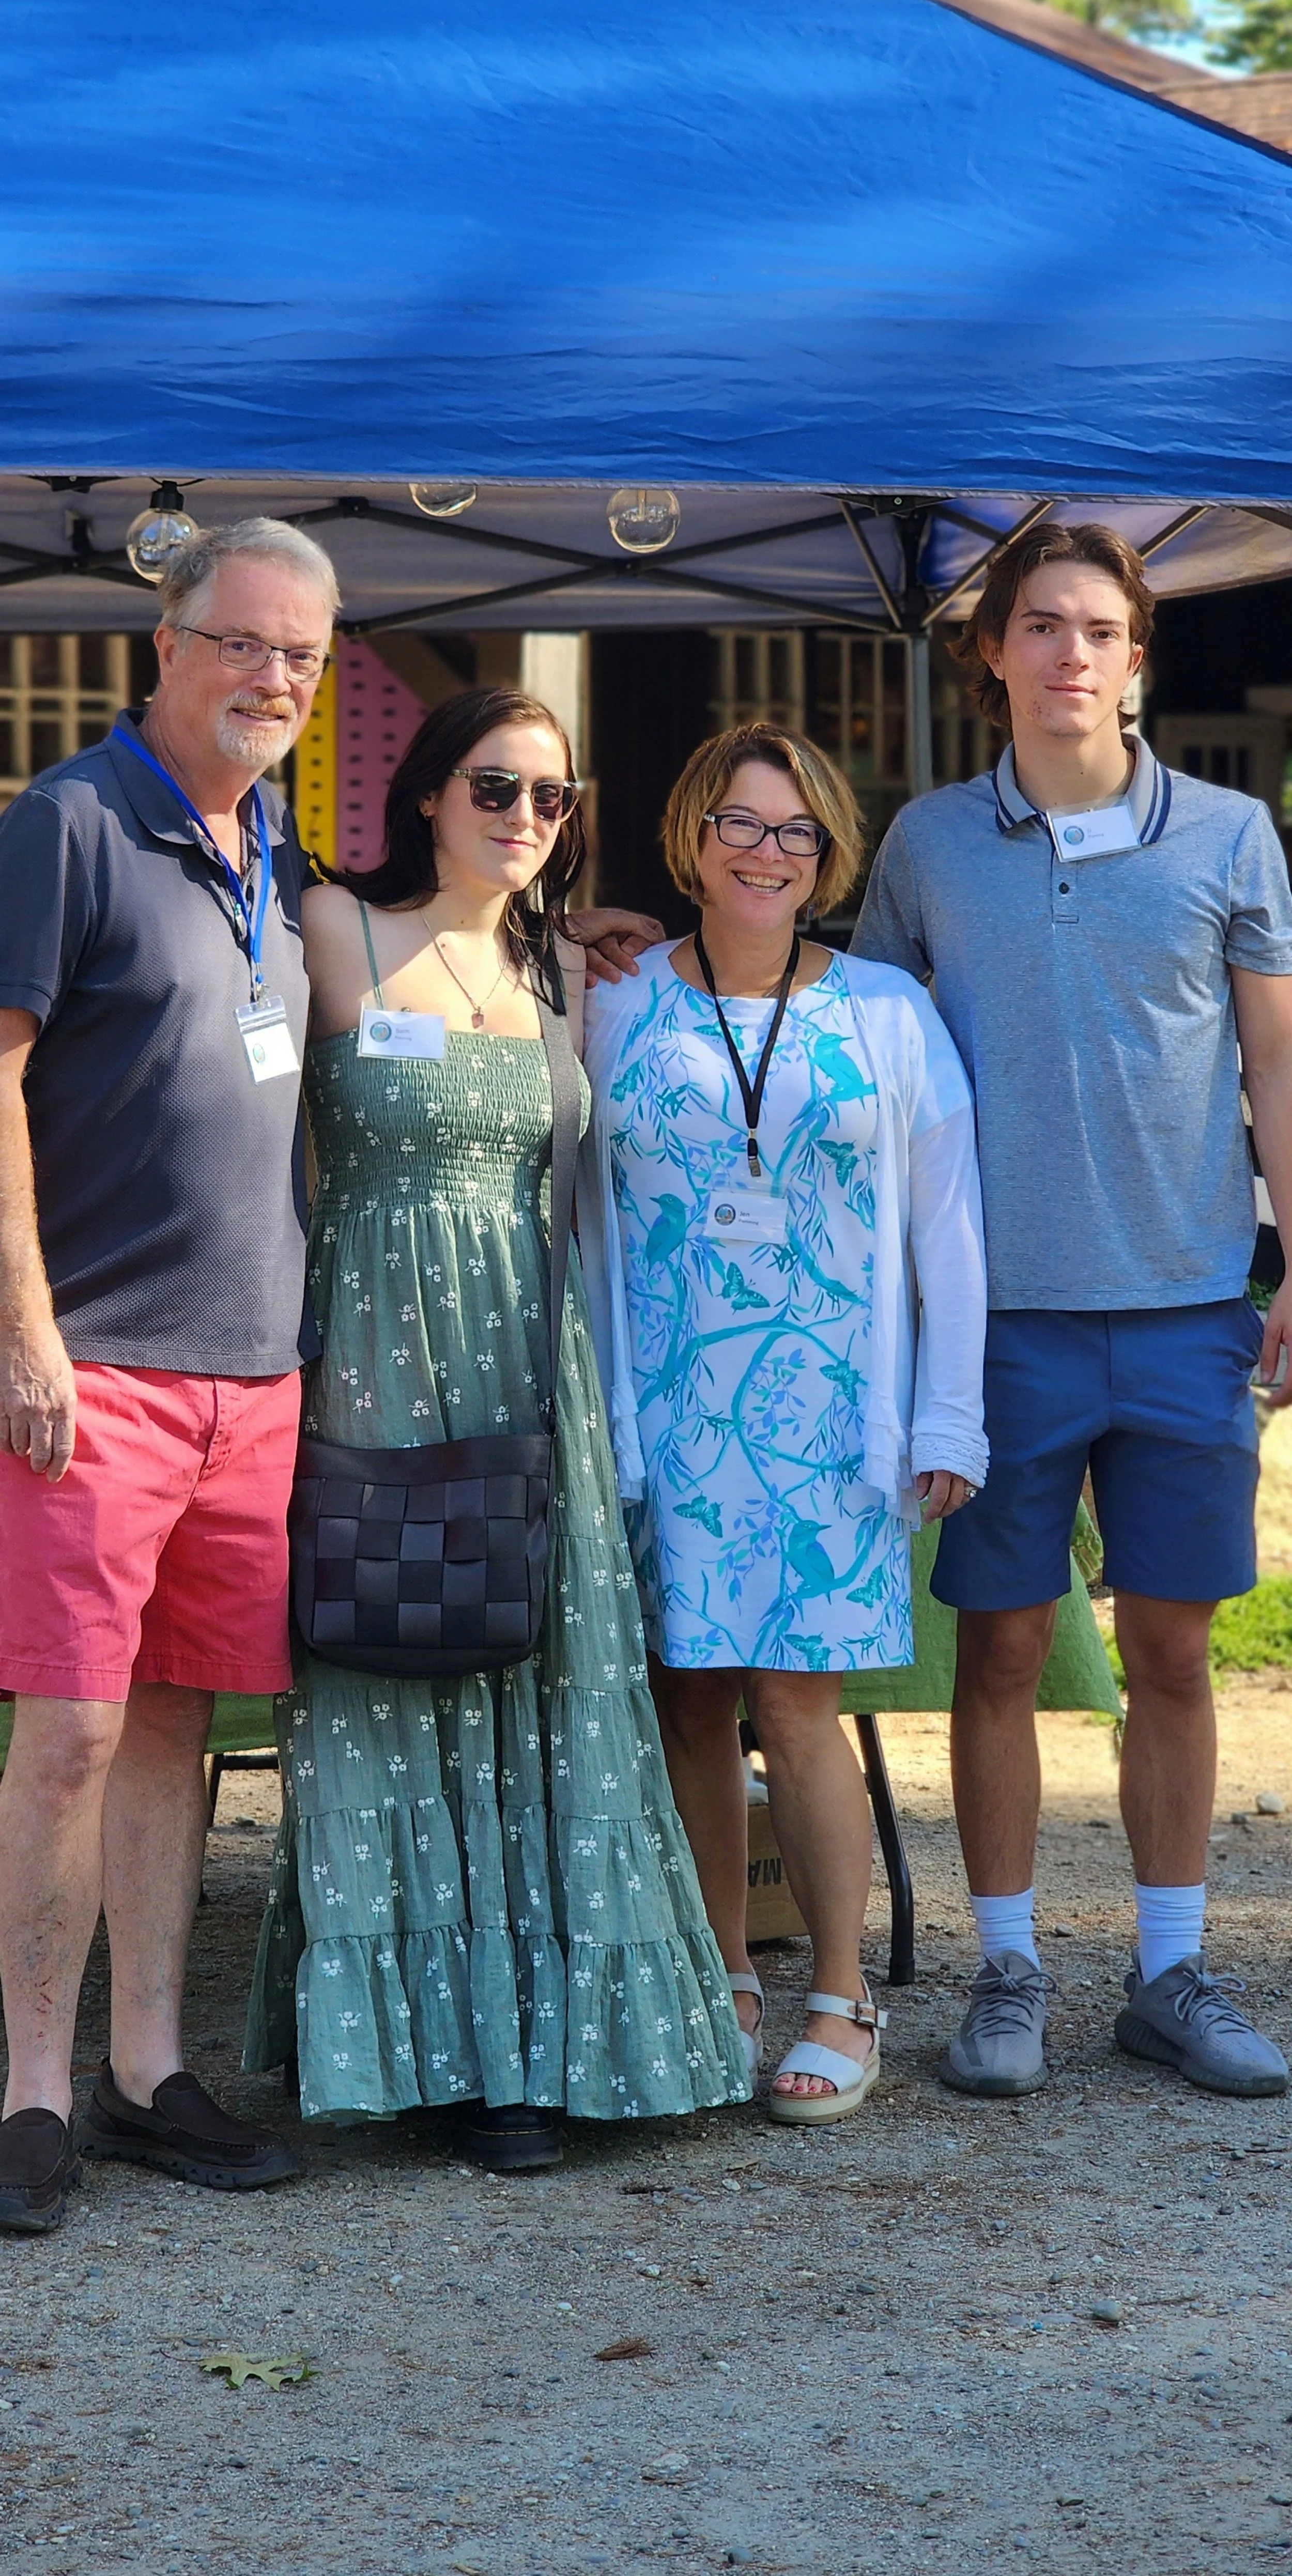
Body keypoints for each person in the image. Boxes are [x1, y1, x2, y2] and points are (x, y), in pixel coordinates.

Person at [243, 686, 750, 2165]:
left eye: (548, 797)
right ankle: (412, 2056)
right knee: (389, 1662)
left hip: (530, 1354)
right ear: (423, 793)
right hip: (373, 1351)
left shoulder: (561, 975)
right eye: (493, 786)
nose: (523, 817)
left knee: (537, 1684)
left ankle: (534, 2054)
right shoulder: (333, 928)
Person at [855, 521, 1292, 2099]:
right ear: (990, 653)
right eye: (1037, 625)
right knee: (999, 1650)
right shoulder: (922, 847)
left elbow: (1275, 1064)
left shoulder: (1234, 836)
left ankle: (1169, 1973)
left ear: (1136, 657)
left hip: (1185, 1304)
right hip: (994, 1321)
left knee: (1174, 1655)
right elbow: (869, 1060)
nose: (1068, 654)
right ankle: (1007, 1970)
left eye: (1098, 629)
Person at [0, 516, 340, 2230]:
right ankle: (30, 2093)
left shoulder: (269, 843)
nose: (271, 677)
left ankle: (147, 2069)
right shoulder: (64, 824)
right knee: (63, 1733)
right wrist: (23, 1326)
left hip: (251, 1378)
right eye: (243, 642)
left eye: (300, 655)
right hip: (100, 1369)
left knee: (176, 1729)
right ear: (168, 641)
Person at [579, 724, 988, 2123]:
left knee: (798, 1706)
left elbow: (950, 1230)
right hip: (670, 1415)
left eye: (796, 832)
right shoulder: (616, 1001)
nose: (766, 852)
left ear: (828, 857)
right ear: (691, 837)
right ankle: (717, 1980)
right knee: (687, 1698)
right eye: (740, 826)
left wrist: (947, 1414)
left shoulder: (886, 1012)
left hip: (827, 1419)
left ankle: (835, 1988)